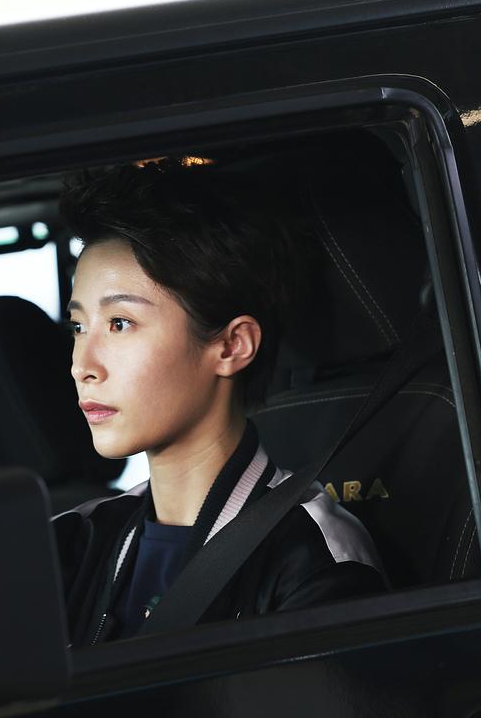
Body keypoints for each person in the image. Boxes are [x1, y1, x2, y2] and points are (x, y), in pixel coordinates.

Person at [52, 158, 386, 647]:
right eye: (79, 326)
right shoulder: (69, 545)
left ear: (232, 346)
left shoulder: (313, 560)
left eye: (120, 324)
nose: (83, 364)